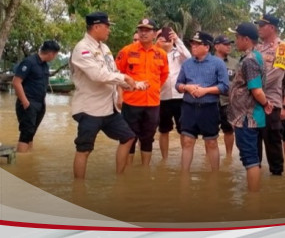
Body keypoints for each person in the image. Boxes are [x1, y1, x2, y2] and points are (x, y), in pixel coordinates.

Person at [70, 12, 137, 179]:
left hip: (109, 108)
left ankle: (119, 179)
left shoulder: (105, 48)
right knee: (84, 149)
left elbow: (112, 73)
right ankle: (78, 191)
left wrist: (132, 84)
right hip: (89, 109)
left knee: (128, 137)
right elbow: (98, 76)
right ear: (96, 27)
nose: (109, 30)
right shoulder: (82, 49)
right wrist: (124, 78)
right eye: (107, 26)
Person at [116, 18, 169, 166]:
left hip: (152, 103)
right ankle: (128, 171)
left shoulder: (161, 54)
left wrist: (154, 89)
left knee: (148, 138)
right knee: (129, 137)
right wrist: (120, 96)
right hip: (131, 102)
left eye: (147, 30)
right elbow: (117, 75)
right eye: (141, 30)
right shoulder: (127, 51)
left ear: (154, 34)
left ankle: (145, 170)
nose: (143, 33)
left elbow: (163, 76)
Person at [228, 22, 273, 192]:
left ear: (246, 39)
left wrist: (266, 103)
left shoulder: (250, 60)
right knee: (251, 156)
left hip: (247, 117)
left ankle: (253, 199)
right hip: (247, 116)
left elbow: (256, 89)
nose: (235, 41)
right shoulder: (254, 57)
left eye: (237, 37)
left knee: (250, 159)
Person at [175, 31, 229, 172]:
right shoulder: (186, 64)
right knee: (187, 142)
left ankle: (215, 176)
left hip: (209, 108)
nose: (193, 46)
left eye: (197, 44)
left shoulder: (218, 64)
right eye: (192, 43)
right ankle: (184, 176)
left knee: (211, 142)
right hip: (188, 107)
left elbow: (225, 86)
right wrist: (187, 87)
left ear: (207, 47)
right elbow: (178, 85)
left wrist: (205, 90)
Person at [255, 14, 285, 176]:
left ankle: (277, 178)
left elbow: (277, 75)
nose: (259, 28)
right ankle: (254, 174)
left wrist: (253, 86)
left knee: (273, 144)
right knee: (254, 143)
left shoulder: (282, 48)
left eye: (261, 25)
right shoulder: (256, 48)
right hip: (253, 103)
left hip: (271, 104)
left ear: (271, 27)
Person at [12, 40, 60, 152]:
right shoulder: (29, 62)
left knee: (31, 133)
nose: (55, 57)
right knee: (26, 132)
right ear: (51, 53)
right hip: (28, 103)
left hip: (40, 103)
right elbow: (16, 82)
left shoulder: (45, 66)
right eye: (55, 55)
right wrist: (25, 102)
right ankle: (21, 160)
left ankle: (29, 160)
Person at [156, 27, 191, 160]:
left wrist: (177, 40)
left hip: (179, 97)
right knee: (163, 130)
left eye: (168, 38)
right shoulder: (154, 53)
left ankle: (184, 158)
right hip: (161, 97)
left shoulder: (179, 53)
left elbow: (189, 58)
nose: (165, 40)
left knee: (183, 130)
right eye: (161, 38)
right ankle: (164, 159)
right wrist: (157, 40)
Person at [214, 35, 239, 157]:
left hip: (228, 102)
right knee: (210, 132)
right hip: (211, 101)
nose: (229, 46)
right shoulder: (207, 61)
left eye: (230, 44)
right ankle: (211, 157)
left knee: (229, 130)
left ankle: (228, 157)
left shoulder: (235, 63)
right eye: (225, 44)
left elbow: (239, 83)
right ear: (216, 46)